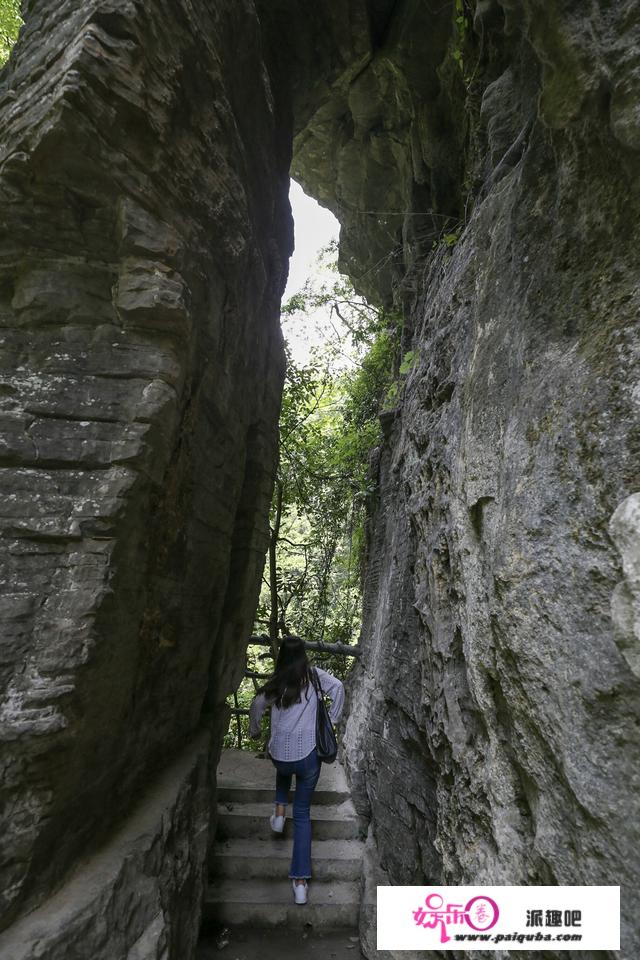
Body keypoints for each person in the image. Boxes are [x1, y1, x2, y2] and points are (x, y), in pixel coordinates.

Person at [248, 634, 345, 905]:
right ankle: (300, 883)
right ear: (303, 655)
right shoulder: (314, 677)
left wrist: (255, 731)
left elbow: (256, 704)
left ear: (282, 658)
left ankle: (279, 813)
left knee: (282, 765)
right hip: (308, 757)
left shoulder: (277, 683)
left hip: (281, 757)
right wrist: (334, 719)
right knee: (302, 814)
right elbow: (338, 687)